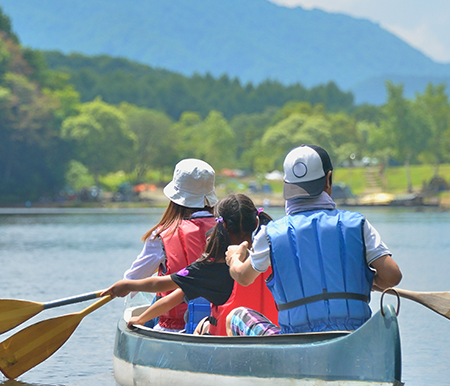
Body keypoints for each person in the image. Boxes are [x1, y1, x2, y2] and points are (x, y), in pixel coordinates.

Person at [226, 144, 402, 336]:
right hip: (354, 335)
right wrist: (369, 281)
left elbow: (243, 277)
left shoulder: (270, 234)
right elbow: (392, 276)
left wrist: (234, 259)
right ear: (328, 179)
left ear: (286, 183)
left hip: (296, 341)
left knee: (235, 316)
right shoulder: (357, 224)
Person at [104, 194, 271, 330]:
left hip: (225, 338)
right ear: (256, 221)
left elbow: (163, 285)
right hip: (268, 331)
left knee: (202, 326)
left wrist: (129, 286)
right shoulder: (272, 254)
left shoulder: (209, 267)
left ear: (222, 225)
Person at [122, 158, 218, 332]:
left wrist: (120, 287)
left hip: (174, 327)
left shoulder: (162, 235)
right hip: (216, 325)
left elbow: (132, 280)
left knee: (153, 304)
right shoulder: (227, 228)